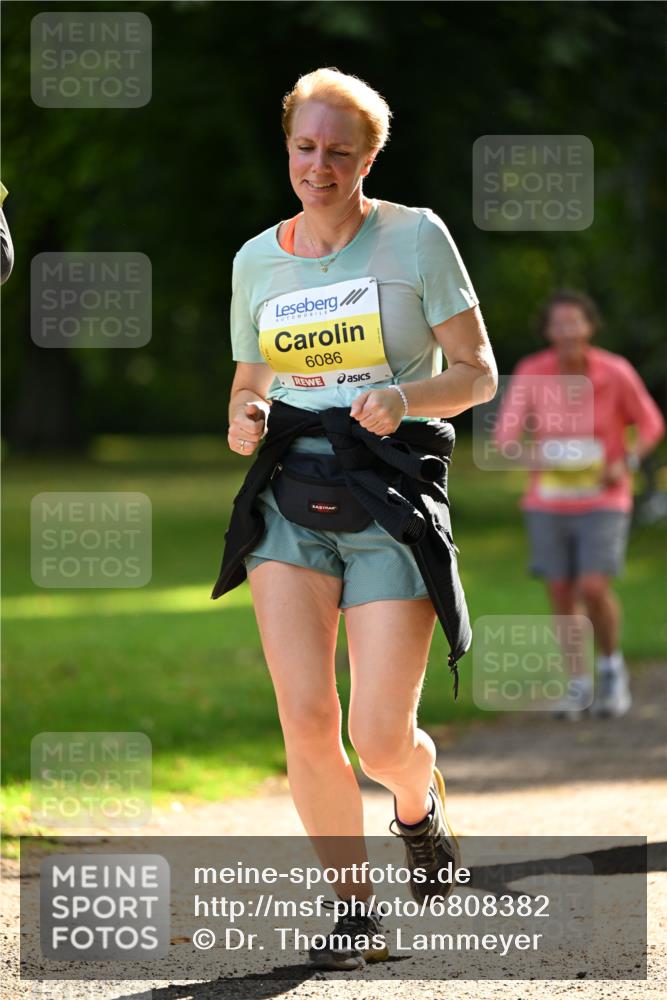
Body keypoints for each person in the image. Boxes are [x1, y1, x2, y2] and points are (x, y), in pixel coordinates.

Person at [219, 67, 497, 970]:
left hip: (387, 494)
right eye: (306, 146)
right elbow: (249, 375)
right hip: (288, 501)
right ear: (288, 146)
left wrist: (407, 395)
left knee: (380, 736)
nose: (319, 166)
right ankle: (351, 909)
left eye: (340, 151)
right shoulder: (255, 259)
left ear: (368, 155)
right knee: (305, 716)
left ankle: (416, 808)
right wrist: (242, 415)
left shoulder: (416, 237)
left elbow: (478, 373)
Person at [495, 291, 664, 719]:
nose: (568, 331)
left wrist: (625, 460)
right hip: (549, 501)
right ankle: (577, 684)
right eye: (559, 324)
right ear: (548, 331)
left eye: (576, 323)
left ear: (590, 326)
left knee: (592, 586)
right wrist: (533, 456)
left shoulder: (615, 372)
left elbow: (650, 423)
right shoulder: (533, 373)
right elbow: (505, 438)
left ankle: (610, 670)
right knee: (560, 592)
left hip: (605, 497)